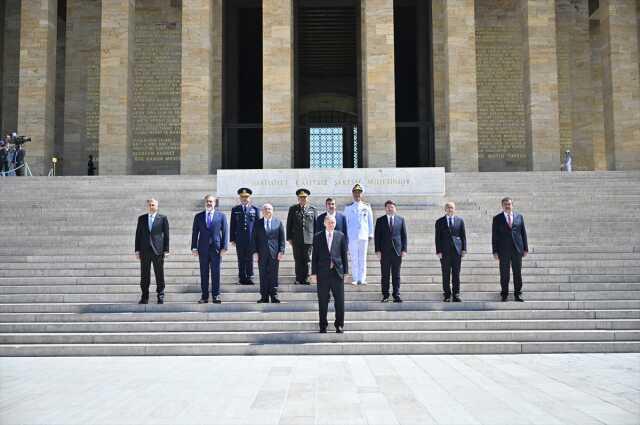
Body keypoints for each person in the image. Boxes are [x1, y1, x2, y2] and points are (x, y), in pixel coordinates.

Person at [311, 215, 349, 333]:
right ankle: (323, 325)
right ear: (324, 223)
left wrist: (346, 272)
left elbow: (344, 255)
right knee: (322, 300)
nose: (331, 224)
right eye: (329, 222)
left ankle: (339, 325)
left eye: (333, 222)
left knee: (339, 301)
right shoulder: (317, 237)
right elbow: (314, 257)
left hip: (337, 273)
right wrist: (313, 273)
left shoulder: (340, 236)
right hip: (322, 274)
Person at [192, 194, 228, 304]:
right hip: (202, 249)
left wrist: (224, 247)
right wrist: (194, 247)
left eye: (211, 201)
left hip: (216, 249)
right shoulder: (198, 216)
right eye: (207, 201)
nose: (209, 203)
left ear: (215, 203)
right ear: (205, 202)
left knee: (216, 273)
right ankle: (204, 296)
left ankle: (216, 296)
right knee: (204, 273)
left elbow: (225, 232)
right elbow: (195, 233)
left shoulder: (221, 216)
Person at [492, 197, 528, 302]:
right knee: (504, 273)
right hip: (503, 250)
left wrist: (525, 248)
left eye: (509, 204)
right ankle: (504, 294)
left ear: (512, 205)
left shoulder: (519, 217)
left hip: (517, 249)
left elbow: (523, 233)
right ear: (502, 206)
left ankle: (518, 294)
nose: (507, 206)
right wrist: (495, 251)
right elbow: (495, 236)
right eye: (505, 204)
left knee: (517, 272)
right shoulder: (497, 218)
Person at [134, 198, 170, 304]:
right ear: (147, 206)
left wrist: (166, 249)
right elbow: (138, 235)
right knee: (144, 275)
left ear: (157, 206)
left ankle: (160, 295)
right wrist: (137, 250)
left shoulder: (163, 218)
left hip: (158, 251)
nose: (151, 207)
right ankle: (144, 296)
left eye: (153, 205)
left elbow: (166, 235)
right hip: (144, 251)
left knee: (159, 274)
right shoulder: (142, 218)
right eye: (150, 205)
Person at [374, 200, 408, 303]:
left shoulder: (400, 220)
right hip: (384, 252)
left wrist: (404, 249)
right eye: (388, 207)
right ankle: (385, 295)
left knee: (396, 275)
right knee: (385, 275)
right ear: (385, 208)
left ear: (395, 208)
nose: (390, 208)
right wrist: (377, 250)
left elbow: (404, 236)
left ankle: (396, 295)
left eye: (392, 207)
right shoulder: (380, 220)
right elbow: (377, 237)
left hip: (397, 252)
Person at [252, 203, 285, 303]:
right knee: (263, 275)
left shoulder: (278, 222)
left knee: (274, 275)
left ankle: (274, 296)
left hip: (274, 254)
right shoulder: (257, 223)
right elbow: (253, 239)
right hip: (261, 254)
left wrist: (281, 251)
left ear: (272, 211)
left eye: (269, 209)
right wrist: (255, 252)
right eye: (265, 209)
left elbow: (282, 239)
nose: (267, 211)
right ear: (262, 211)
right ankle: (264, 297)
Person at [435, 201, 467, 302]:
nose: (450, 209)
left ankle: (456, 294)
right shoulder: (439, 221)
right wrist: (438, 251)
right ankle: (447, 295)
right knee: (446, 274)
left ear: (454, 209)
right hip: (444, 252)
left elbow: (463, 236)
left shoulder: (460, 221)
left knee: (456, 274)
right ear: (445, 209)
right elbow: (437, 238)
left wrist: (464, 249)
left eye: (452, 207)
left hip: (457, 251)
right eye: (448, 207)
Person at [343, 183, 374, 285]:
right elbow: (345, 223)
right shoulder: (348, 208)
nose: (357, 195)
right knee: (354, 258)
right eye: (355, 192)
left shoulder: (367, 206)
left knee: (363, 258)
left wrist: (370, 234)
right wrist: (345, 236)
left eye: (359, 193)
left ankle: (363, 278)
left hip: (363, 235)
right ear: (353, 194)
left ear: (362, 194)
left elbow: (370, 221)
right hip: (352, 236)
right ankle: (356, 279)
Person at [286, 188, 317, 285]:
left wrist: (315, 238)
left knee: (307, 259)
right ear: (298, 199)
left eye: (304, 197)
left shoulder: (313, 209)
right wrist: (289, 238)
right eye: (301, 197)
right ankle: (299, 278)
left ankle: (307, 278)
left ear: (307, 198)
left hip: (309, 239)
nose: (303, 199)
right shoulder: (293, 209)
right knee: (298, 259)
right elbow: (289, 224)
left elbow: (315, 225)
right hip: (296, 239)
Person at [230, 188, 260, 285]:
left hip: (251, 239)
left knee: (249, 258)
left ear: (249, 198)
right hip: (240, 239)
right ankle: (242, 278)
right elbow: (232, 225)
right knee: (241, 258)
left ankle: (250, 277)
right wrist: (232, 239)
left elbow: (257, 226)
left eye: (246, 197)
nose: (244, 199)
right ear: (240, 198)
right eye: (242, 197)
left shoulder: (255, 210)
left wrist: (257, 239)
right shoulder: (235, 210)